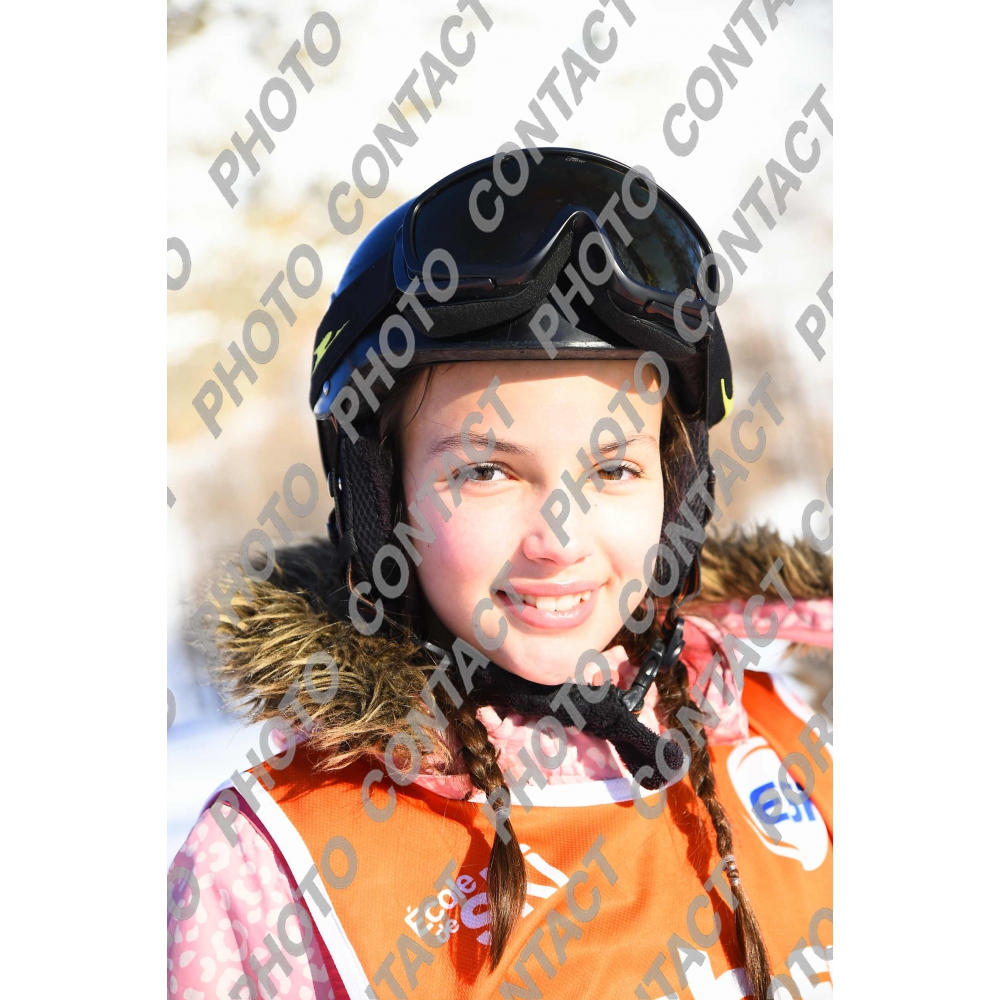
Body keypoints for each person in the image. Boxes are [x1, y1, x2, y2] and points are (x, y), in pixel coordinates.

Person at [168, 148, 833, 1000]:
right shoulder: (272, 871)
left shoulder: (781, 733)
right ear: (381, 499)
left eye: (615, 469)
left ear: (677, 489)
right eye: (486, 471)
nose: (560, 540)